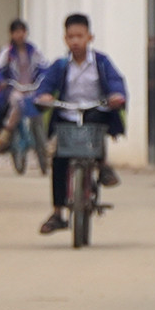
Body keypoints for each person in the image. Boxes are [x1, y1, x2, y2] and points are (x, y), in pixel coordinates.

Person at [34, 12, 127, 235]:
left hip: (96, 110)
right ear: (65, 39)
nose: (75, 41)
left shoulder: (101, 63)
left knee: (97, 124)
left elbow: (116, 82)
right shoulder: (60, 65)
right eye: (70, 37)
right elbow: (45, 85)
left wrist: (116, 95)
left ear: (89, 37)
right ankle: (57, 212)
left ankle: (102, 165)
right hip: (68, 114)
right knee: (59, 161)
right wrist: (44, 96)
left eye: (80, 36)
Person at [0, 18, 44, 151]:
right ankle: (7, 132)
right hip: (14, 88)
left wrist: (44, 77)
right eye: (16, 32)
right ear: (11, 34)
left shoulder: (33, 50)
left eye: (22, 31)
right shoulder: (6, 52)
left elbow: (43, 65)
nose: (20, 35)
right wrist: (0, 81)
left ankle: (43, 140)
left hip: (31, 86)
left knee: (40, 105)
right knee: (18, 102)